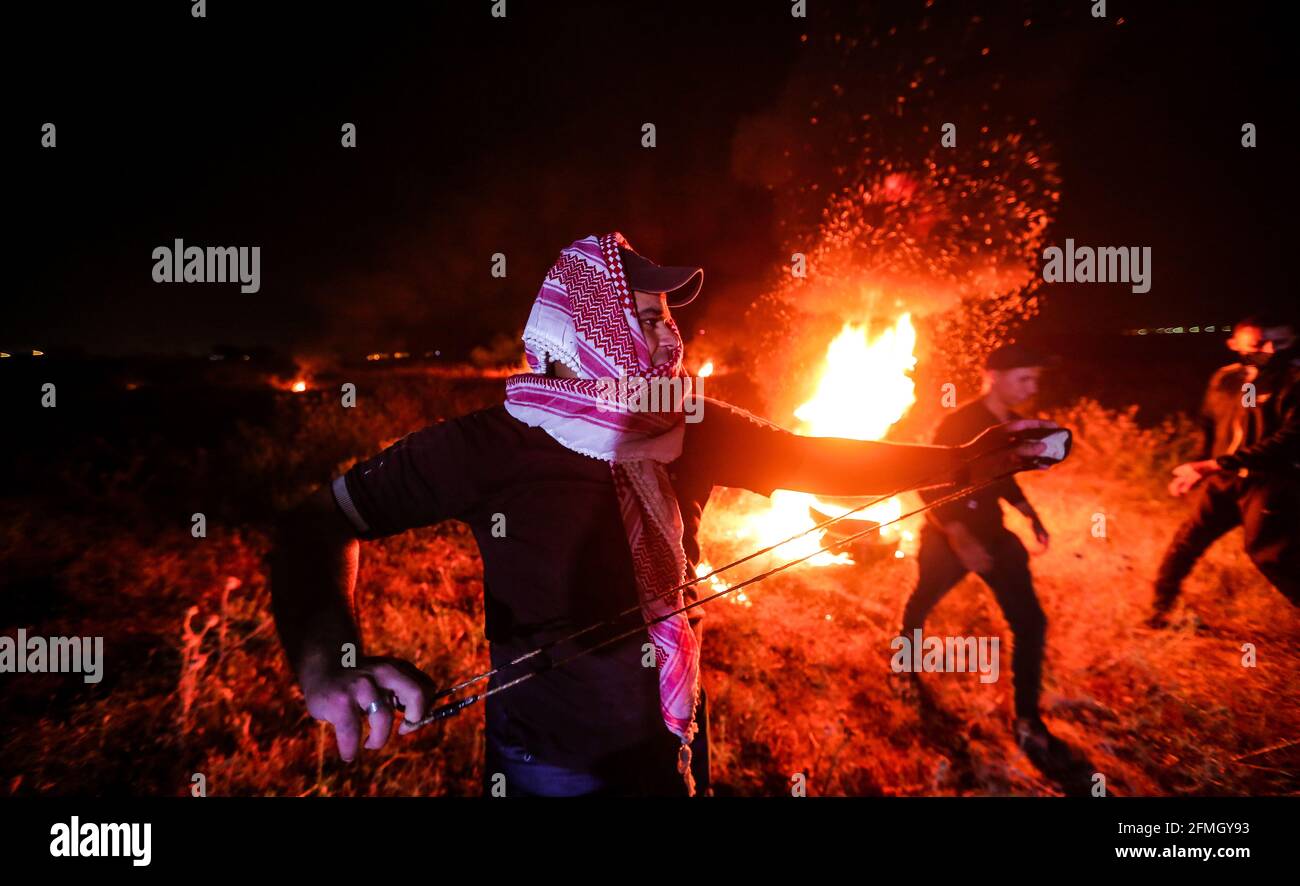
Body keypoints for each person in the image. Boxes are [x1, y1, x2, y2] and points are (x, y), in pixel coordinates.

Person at [269, 232, 1058, 796]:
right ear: (580, 326)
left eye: (666, 316)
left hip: (674, 743)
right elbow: (316, 524)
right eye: (642, 316)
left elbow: (811, 456)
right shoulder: (490, 446)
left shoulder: (691, 425)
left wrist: (959, 460)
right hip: (551, 768)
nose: (667, 334)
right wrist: (326, 660)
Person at [900, 344, 1055, 758]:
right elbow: (929, 480)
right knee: (922, 602)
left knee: (1031, 622)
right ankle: (906, 670)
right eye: (1023, 378)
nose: (1031, 386)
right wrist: (958, 537)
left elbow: (1001, 477)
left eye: (1035, 379)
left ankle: (1026, 717)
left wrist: (1030, 514)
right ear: (993, 377)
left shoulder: (1016, 425)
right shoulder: (962, 423)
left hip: (995, 535)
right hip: (947, 535)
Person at [1150, 315, 1300, 626]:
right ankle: (1160, 611)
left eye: (1279, 342)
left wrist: (1216, 464)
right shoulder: (1225, 379)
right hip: (1223, 478)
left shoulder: (1292, 381)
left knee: (1268, 554)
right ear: (1234, 344)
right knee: (1187, 541)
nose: (1270, 349)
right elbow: (1209, 426)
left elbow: (1288, 439)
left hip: (1268, 481)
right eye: (1259, 344)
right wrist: (1196, 465)